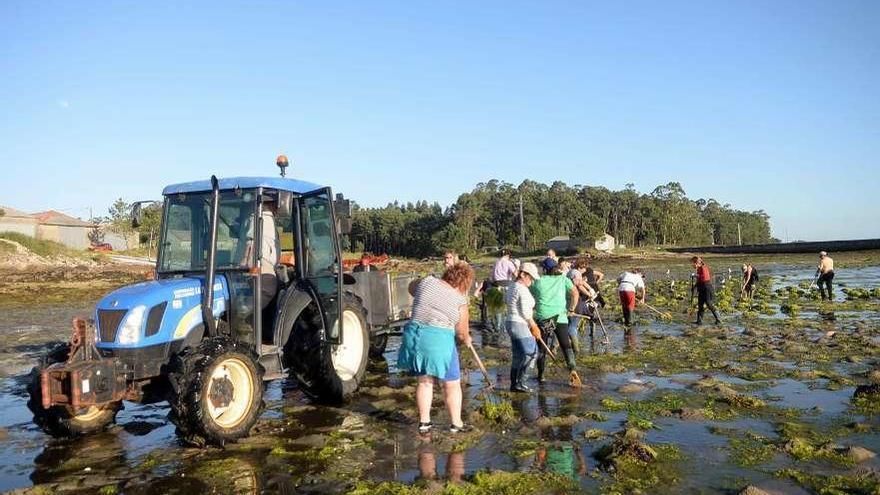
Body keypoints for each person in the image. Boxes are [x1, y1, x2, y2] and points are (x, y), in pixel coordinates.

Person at [397, 262, 475, 434]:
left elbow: (411, 287)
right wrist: (467, 339)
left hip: (414, 338)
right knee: (452, 384)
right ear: (464, 284)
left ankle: (425, 423)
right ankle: (456, 424)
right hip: (438, 341)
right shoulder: (461, 301)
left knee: (425, 382)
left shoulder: (427, 282)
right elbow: (461, 334)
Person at [531, 258, 580, 386]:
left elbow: (530, 295)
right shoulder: (563, 279)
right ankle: (572, 369)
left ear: (545, 269)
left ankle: (541, 375)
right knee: (565, 345)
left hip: (544, 318)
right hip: (560, 317)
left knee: (542, 348)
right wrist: (571, 309)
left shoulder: (538, 282)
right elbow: (575, 293)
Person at [505, 262, 542, 392]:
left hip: (510, 322)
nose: (531, 281)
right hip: (519, 323)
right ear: (522, 274)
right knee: (532, 353)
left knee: (518, 355)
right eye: (530, 277)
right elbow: (526, 312)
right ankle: (521, 383)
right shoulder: (521, 289)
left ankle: (514, 384)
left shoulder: (511, 286)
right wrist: (534, 326)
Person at [566, 259, 597, 353]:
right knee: (572, 326)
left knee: (568, 324)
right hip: (573, 300)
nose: (585, 270)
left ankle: (566, 345)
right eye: (584, 268)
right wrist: (589, 294)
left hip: (569, 299)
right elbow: (579, 285)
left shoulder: (572, 272)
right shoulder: (575, 273)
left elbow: (582, 283)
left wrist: (590, 289)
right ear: (580, 267)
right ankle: (576, 349)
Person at [692, 257, 722, 325]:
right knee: (700, 304)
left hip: (707, 288)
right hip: (701, 288)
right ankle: (699, 321)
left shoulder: (703, 267)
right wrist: (694, 287)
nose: (692, 265)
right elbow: (699, 280)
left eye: (693, 263)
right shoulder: (698, 269)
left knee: (709, 304)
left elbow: (704, 277)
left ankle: (718, 319)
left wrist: (696, 275)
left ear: (697, 263)